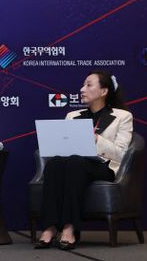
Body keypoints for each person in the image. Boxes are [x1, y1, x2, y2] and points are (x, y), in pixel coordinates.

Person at [36, 70, 133, 251]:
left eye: (88, 85)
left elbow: (121, 154)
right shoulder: (72, 116)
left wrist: (96, 140)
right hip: (75, 163)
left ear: (104, 91)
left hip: (103, 166)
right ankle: (50, 226)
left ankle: (69, 227)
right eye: (83, 85)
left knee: (75, 162)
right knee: (55, 163)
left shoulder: (122, 117)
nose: (82, 89)